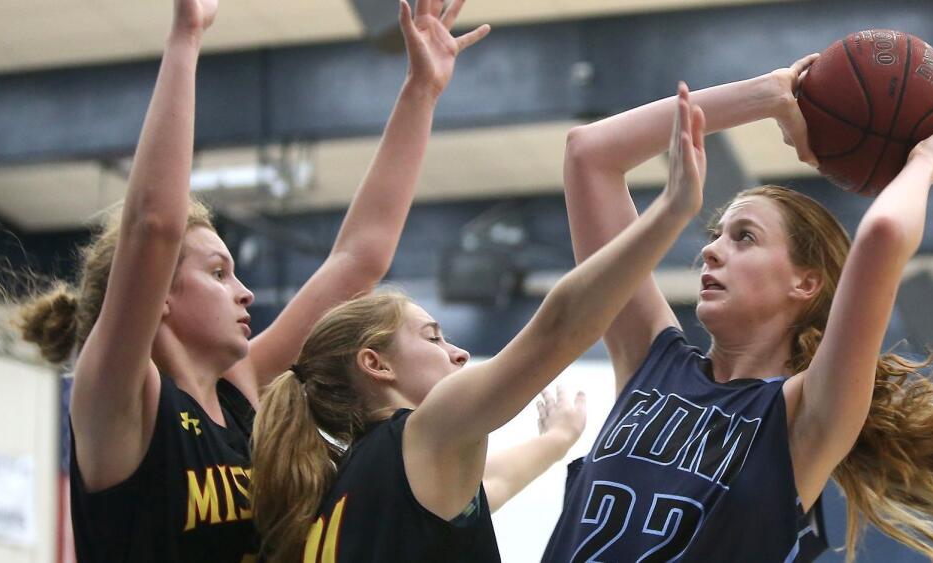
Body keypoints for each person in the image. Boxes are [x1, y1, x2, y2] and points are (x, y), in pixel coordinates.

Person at [0, 0, 488, 562]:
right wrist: (186, 36)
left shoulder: (244, 392)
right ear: (159, 296)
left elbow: (358, 257)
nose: (246, 292)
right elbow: (153, 223)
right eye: (219, 272)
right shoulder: (119, 396)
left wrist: (420, 94)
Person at [544, 63, 933, 562]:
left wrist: (926, 163)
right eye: (716, 236)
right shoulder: (652, 360)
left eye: (744, 238)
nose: (712, 251)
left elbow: (883, 234)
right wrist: (772, 95)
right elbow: (589, 154)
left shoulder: (805, 416)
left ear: (806, 282)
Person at [249, 82, 709, 562]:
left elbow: (493, 484)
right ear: (375, 363)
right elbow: (558, 328)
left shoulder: (344, 487)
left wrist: (554, 441)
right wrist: (667, 214)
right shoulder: (423, 435)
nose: (459, 353)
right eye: (433, 336)